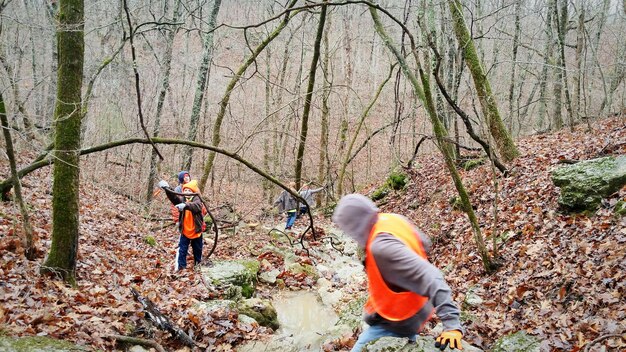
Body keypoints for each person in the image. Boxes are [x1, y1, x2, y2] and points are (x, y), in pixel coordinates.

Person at [332, 194, 464, 352]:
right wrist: (401, 277)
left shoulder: (381, 247)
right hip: (415, 307)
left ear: (354, 225)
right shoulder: (392, 219)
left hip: (399, 319)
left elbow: (431, 276)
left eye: (347, 229)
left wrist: (452, 325)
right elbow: (424, 244)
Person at [159, 179, 205, 271]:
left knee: (197, 250)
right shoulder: (183, 199)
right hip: (185, 230)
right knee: (182, 250)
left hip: (196, 230)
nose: (187, 192)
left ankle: (197, 266)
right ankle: (181, 268)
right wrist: (167, 189)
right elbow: (175, 199)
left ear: (193, 191)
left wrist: (185, 205)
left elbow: (197, 206)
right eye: (185, 190)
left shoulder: (197, 198)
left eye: (189, 190)